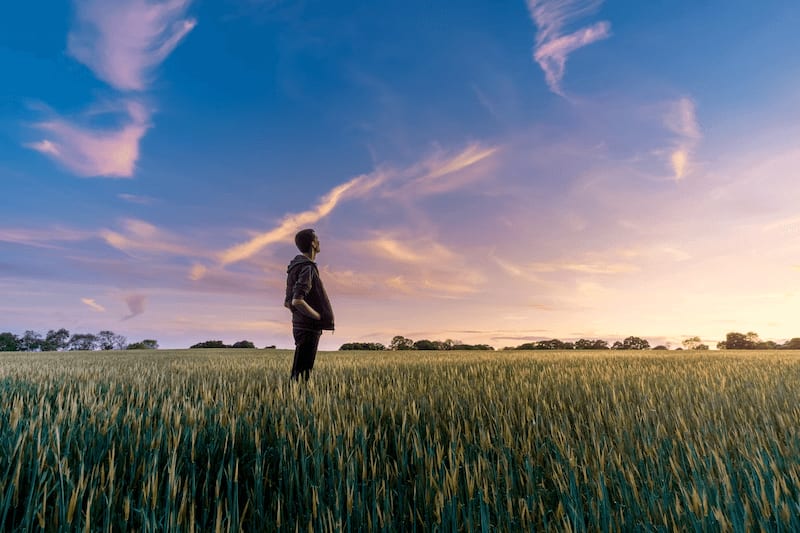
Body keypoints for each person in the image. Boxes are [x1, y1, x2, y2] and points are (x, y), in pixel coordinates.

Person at [284, 229, 334, 380]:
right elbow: (296, 300)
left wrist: (300, 316)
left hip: (299, 325)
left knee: (298, 374)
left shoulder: (295, 267)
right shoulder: (307, 267)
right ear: (313, 243)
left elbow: (287, 303)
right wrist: (317, 316)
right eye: (317, 239)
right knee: (302, 376)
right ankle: (295, 401)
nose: (319, 242)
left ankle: (293, 399)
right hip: (308, 327)